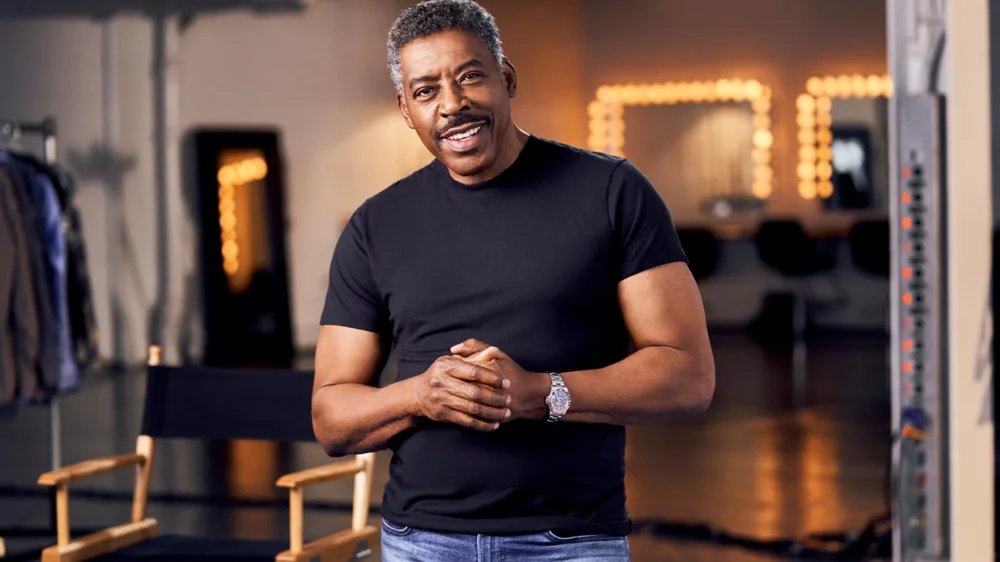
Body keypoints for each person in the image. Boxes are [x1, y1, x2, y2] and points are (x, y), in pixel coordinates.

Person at [311, 1, 715, 560]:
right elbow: (331, 421)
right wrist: (421, 395)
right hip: (419, 542)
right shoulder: (374, 225)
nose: (452, 104)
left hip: (571, 540)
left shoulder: (612, 191)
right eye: (426, 90)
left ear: (506, 78)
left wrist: (541, 392)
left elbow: (688, 376)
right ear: (406, 109)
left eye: (469, 77)